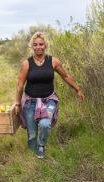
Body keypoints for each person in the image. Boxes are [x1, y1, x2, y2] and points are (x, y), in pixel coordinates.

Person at [15, 31, 85, 159]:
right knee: (31, 134)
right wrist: (18, 103)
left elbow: (65, 76)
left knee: (45, 124)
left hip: (49, 100)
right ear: (32, 46)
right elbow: (20, 86)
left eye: (41, 44)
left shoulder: (53, 61)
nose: (38, 47)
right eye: (35, 44)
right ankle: (32, 159)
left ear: (45, 45)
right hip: (30, 102)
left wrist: (77, 89)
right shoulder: (27, 63)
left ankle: (41, 146)